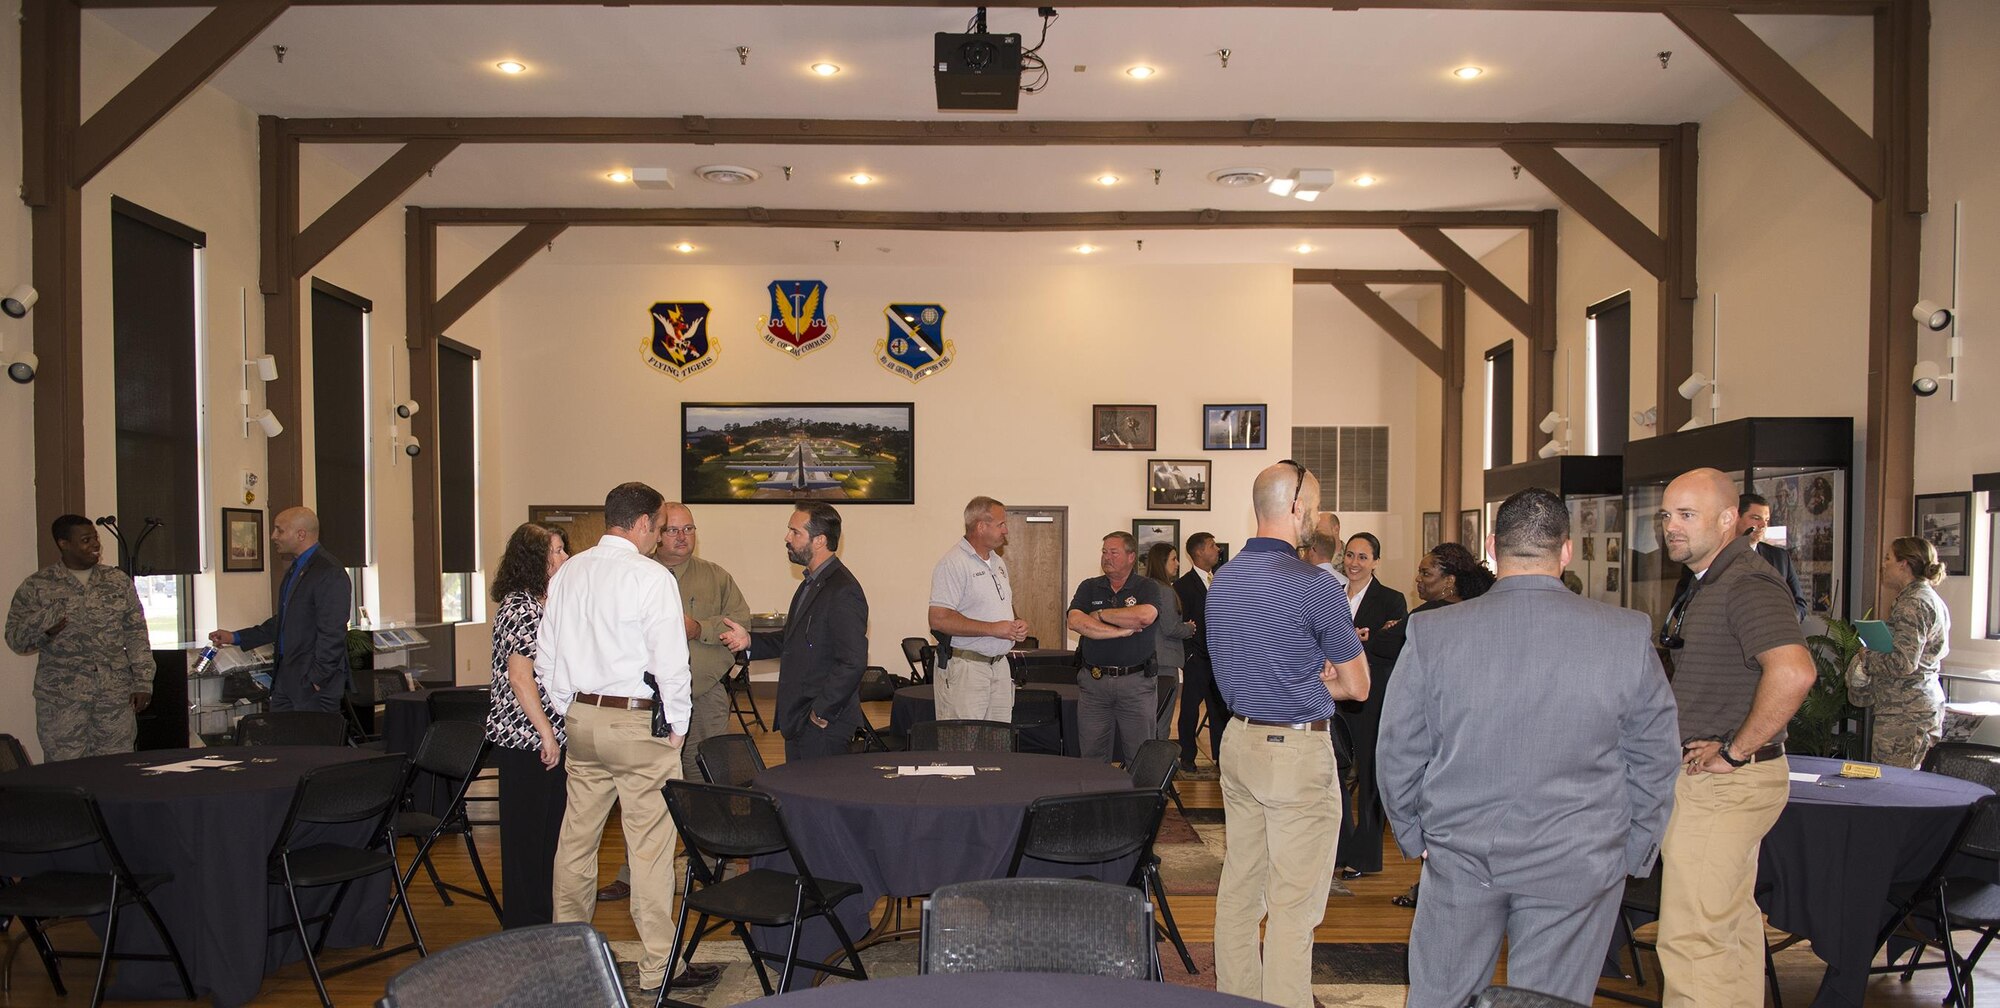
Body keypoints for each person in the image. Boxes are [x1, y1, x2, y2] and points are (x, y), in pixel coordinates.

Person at [1378, 489, 1681, 1007]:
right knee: (1548, 1001)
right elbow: (1655, 756)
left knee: (1441, 997)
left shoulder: (1433, 632)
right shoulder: (1624, 634)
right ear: (1566, 551)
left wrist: (1413, 833)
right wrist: (1634, 847)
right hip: (1579, 857)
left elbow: (1399, 750)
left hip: (1461, 850)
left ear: (1493, 547)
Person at [1206, 460, 1369, 1008]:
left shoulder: (1222, 580)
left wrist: (1308, 669)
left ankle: (1236, 998)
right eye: (1317, 506)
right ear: (1296, 506)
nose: (1319, 519)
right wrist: (1323, 675)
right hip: (1294, 750)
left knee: (1239, 892)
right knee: (1294, 905)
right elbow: (1359, 685)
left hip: (1239, 743)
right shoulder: (1314, 585)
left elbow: (1242, 659)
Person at [1654, 468, 1815, 1008]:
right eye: (1666, 515)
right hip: (1717, 783)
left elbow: (1794, 671)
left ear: (1728, 519)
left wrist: (1735, 750)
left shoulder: (1746, 582)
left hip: (1724, 786)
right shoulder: (1712, 581)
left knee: (1693, 939)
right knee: (1730, 929)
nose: (1670, 527)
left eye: (1686, 515)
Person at [539, 482, 705, 996]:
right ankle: (660, 969)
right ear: (641, 524)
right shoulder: (650, 576)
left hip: (581, 719)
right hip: (636, 723)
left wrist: (570, 705)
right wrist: (678, 726)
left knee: (576, 841)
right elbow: (671, 662)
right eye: (658, 526)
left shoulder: (570, 572)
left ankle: (570, 960)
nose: (660, 536)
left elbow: (546, 655)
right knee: (651, 849)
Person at [598, 502, 751, 903]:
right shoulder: (635, 574)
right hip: (644, 707)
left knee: (709, 786)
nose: (682, 537)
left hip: (703, 700)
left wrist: (699, 627)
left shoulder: (714, 577)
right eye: (672, 530)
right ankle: (632, 873)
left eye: (689, 529)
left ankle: (717, 866)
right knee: (648, 794)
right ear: (655, 531)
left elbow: (741, 624)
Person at [1370, 541, 1496, 910]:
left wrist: (1393, 627)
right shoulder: (1481, 613)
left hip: (1438, 731)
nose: (1418, 579)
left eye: (1426, 573)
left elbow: (1384, 642)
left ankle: (1433, 883)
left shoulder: (1430, 619)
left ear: (1450, 581)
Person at [720, 502, 868, 762]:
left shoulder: (843, 590)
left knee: (820, 800)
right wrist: (749, 641)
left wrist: (820, 713)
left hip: (823, 726)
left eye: (795, 532)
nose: (787, 538)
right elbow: (790, 640)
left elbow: (853, 662)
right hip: (801, 720)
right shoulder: (810, 584)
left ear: (819, 540)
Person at [6, 515, 154, 761]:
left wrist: (143, 681)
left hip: (114, 697)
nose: (96, 545)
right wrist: (44, 629)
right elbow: (15, 639)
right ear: (64, 544)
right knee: (66, 772)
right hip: (62, 701)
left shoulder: (117, 582)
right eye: (86, 540)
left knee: (117, 770)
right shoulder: (37, 586)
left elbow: (137, 634)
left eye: (95, 538)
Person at [482, 522, 569, 929]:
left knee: (547, 833)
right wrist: (547, 733)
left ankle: (542, 916)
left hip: (542, 736)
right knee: (527, 838)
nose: (563, 557)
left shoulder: (542, 602)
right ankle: (524, 924)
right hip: (526, 739)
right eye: (555, 551)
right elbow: (521, 677)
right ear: (534, 559)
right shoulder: (521, 606)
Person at [208, 507, 352, 713]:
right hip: (287, 678)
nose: (273, 536)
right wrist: (235, 637)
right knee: (282, 743)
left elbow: (333, 631)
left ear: (301, 534)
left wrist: (318, 678)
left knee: (311, 744)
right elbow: (285, 621)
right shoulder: (296, 568)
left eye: (280, 530)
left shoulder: (328, 571)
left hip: (312, 683)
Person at [1334, 531, 1407, 880]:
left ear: (1376, 562)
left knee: (1369, 775)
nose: (1354, 563)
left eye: (1363, 557)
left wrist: (1369, 638)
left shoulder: (1391, 600)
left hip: (1372, 698)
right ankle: (1339, 847)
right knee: (1332, 774)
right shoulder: (1330, 595)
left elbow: (1393, 646)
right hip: (1332, 697)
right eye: (1350, 555)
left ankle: (1365, 855)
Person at [1848, 536, 1949, 769]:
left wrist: (1867, 656)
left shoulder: (1913, 603)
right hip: (1911, 708)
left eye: (1888, 558)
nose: (1884, 564)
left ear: (1903, 564)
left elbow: (1902, 663)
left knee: (1894, 790)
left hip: (1906, 714)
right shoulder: (1923, 597)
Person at [1067, 532, 1165, 765]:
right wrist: (1120, 630)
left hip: (1136, 684)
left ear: (1131, 557)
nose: (1106, 557)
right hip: (1094, 684)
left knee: (1139, 755)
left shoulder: (1147, 587)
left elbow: (1144, 616)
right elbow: (1075, 621)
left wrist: (1100, 615)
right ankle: (1095, 800)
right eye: (1104, 552)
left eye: (1113, 552)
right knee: (1091, 755)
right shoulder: (1089, 587)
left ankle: (1138, 801)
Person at [928, 496, 1029, 721]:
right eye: (1001, 524)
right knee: (962, 746)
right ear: (981, 526)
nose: (1006, 530)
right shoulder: (953, 563)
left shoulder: (998, 562)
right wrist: (994, 629)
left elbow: (998, 604)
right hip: (967, 669)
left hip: (999, 667)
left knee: (997, 744)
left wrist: (1016, 621)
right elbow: (939, 619)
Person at [1671, 492, 1809, 622]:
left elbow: (1800, 604)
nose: (1763, 525)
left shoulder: (1780, 557)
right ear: (1735, 518)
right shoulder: (1707, 555)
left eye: (1766, 520)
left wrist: (1780, 621)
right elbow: (1680, 607)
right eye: (1755, 518)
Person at [1175, 531, 1228, 772]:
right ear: (1198, 552)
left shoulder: (1220, 580)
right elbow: (1180, 623)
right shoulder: (1183, 586)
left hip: (1219, 659)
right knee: (1189, 709)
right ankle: (1187, 756)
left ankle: (1221, 757)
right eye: (1211, 545)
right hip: (1196, 658)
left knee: (1220, 710)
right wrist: (1188, 655)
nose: (1217, 549)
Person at [1144, 542, 1197, 741]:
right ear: (1162, 562)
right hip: (1165, 662)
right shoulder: (1165, 590)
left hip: (1150, 659)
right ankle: (1160, 766)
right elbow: (1170, 627)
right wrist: (1189, 628)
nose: (1177, 563)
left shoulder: (1146, 586)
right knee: (1163, 720)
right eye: (1174, 559)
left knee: (1149, 718)